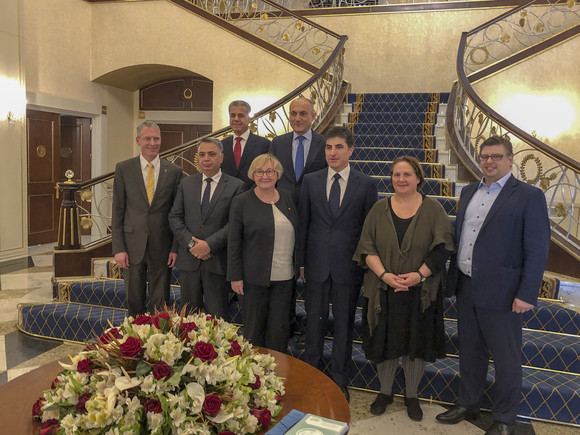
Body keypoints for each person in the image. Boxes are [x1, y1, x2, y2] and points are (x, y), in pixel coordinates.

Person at [436, 136, 550, 435]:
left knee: (506, 358)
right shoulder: (470, 191)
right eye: (485, 156)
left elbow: (537, 249)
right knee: (470, 352)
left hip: (504, 292)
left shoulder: (528, 196)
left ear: (510, 159)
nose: (489, 161)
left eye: (497, 156)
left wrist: (527, 293)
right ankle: (468, 403)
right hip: (466, 285)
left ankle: (503, 418)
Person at [352, 156, 455, 421]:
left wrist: (418, 276)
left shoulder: (434, 210)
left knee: (415, 343)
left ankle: (411, 395)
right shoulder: (378, 209)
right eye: (396, 174)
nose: (401, 179)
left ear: (418, 178)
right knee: (385, 342)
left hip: (420, 292)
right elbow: (367, 247)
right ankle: (384, 392)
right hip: (383, 290)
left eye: (407, 174)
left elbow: (443, 248)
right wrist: (385, 275)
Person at [298, 126, 378, 402]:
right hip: (316, 265)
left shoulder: (366, 184)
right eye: (329, 147)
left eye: (339, 147)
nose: (332, 152)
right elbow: (303, 225)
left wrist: (366, 268)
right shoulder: (310, 181)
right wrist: (301, 263)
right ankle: (311, 374)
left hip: (349, 267)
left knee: (344, 326)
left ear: (351, 150)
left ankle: (340, 379)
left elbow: (369, 231)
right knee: (314, 324)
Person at [227, 154, 298, 353]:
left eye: (269, 171)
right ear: (253, 174)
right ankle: (254, 377)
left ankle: (277, 375)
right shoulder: (241, 201)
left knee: (279, 331)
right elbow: (234, 241)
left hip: (284, 278)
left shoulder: (287, 197)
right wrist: (235, 276)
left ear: (277, 174)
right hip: (252, 279)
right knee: (254, 331)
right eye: (259, 171)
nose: (264, 176)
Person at [112, 121, 183, 317]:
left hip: (162, 245)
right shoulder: (124, 169)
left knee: (160, 302)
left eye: (156, 138)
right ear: (138, 141)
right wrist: (118, 248)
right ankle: (135, 341)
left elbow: (177, 214)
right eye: (147, 138)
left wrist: (175, 248)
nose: (152, 143)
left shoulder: (174, 171)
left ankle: (158, 341)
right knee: (134, 299)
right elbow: (118, 210)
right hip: (132, 243)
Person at [168, 138, 245, 318]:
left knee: (217, 319)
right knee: (188, 319)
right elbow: (174, 217)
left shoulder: (236, 186)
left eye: (212, 154)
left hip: (217, 261)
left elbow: (235, 224)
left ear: (221, 157)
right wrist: (191, 245)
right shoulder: (186, 184)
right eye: (202, 154)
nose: (206, 159)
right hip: (189, 261)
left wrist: (209, 245)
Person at [270, 96, 327, 205]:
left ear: (313, 116)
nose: (297, 118)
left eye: (303, 113)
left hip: (314, 205)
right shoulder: (277, 143)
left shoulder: (324, 143)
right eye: (293, 113)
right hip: (282, 204)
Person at [221, 100, 271, 187]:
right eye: (232, 115)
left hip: (253, 196)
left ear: (249, 119)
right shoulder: (221, 145)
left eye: (240, 115)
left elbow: (266, 173)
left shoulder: (264, 144)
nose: (236, 119)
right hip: (226, 197)